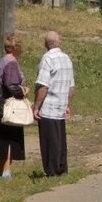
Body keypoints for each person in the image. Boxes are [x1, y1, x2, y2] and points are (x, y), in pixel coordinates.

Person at [33, 31, 75, 176]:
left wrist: (36, 106)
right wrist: (67, 105)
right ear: (59, 42)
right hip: (61, 105)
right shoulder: (66, 58)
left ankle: (52, 171)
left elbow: (43, 86)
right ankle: (62, 168)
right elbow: (71, 86)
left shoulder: (47, 59)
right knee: (60, 140)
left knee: (49, 141)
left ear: (46, 44)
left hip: (49, 106)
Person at [0, 34, 28, 179]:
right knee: (10, 139)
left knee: (2, 138)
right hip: (10, 107)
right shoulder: (11, 63)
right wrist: (23, 91)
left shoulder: (2, 61)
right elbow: (11, 84)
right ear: (16, 48)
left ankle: (2, 170)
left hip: (0, 105)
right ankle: (7, 171)